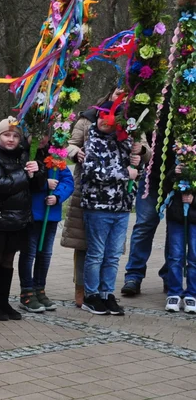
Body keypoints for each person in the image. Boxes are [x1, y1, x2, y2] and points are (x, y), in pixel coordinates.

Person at [61, 88, 122, 308]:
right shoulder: (88, 118)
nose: (120, 97)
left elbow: (144, 149)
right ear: (110, 94)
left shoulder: (132, 121)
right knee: (83, 242)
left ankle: (103, 291)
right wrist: (74, 152)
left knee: (109, 248)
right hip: (87, 188)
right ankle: (83, 289)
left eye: (126, 93)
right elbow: (69, 143)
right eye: (117, 92)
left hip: (117, 194)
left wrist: (141, 152)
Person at [0, 117, 40, 321]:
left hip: (19, 219)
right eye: (6, 135)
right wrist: (25, 175)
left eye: (15, 135)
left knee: (8, 261)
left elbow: (35, 184)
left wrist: (37, 171)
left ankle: (3, 302)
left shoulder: (23, 157)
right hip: (0, 218)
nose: (11, 139)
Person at [80, 109, 137, 316]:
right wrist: (124, 174)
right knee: (96, 254)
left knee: (113, 255)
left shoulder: (126, 142)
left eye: (111, 118)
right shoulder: (92, 141)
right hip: (98, 207)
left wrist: (138, 162)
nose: (106, 121)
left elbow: (137, 170)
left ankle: (107, 293)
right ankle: (91, 295)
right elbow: (92, 171)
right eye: (102, 117)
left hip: (121, 207)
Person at [121, 90, 170, 298]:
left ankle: (172, 276)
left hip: (182, 173)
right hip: (153, 173)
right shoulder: (154, 89)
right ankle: (134, 275)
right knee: (144, 225)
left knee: (177, 229)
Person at [18, 147, 74, 313]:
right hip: (31, 213)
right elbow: (23, 181)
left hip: (50, 213)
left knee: (45, 254)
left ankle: (39, 288)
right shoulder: (25, 153)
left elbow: (67, 181)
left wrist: (57, 196)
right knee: (29, 253)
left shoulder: (56, 156)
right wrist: (44, 185)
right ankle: (27, 291)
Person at [162, 161, 196, 312]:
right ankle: (174, 291)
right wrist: (173, 173)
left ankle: (192, 294)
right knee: (175, 255)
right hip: (177, 215)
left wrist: (193, 200)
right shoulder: (180, 159)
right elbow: (165, 186)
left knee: (194, 257)